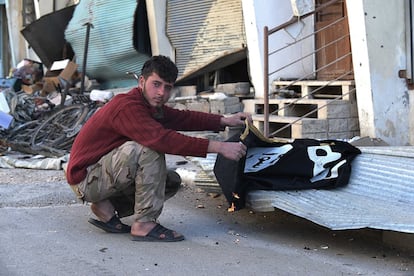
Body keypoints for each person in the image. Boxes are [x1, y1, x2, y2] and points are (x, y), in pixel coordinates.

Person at [65, 55, 251, 242]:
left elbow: (182, 118)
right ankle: (144, 225)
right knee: (150, 149)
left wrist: (224, 120)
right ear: (142, 81)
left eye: (167, 87)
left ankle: (107, 207)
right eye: (156, 84)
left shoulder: (148, 105)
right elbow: (163, 139)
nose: (161, 92)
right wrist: (220, 147)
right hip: (85, 178)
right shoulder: (128, 107)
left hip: (98, 173)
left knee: (169, 181)